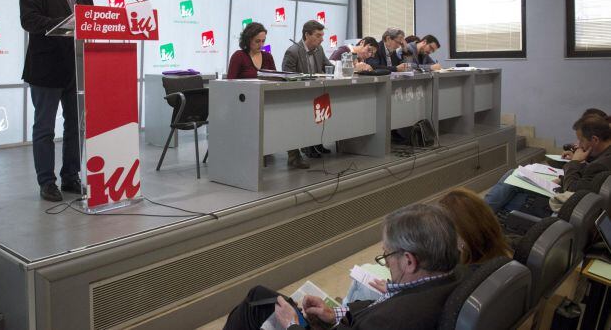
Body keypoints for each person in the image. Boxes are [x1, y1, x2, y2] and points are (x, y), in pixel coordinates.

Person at [223, 203, 461, 330]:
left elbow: (380, 318)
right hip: (346, 321)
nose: (386, 263)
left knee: (255, 305)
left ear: (409, 261)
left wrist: (293, 326)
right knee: (260, 297)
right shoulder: (455, 277)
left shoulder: (394, 319)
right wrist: (335, 314)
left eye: (387, 255)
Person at [20, 0, 94, 202]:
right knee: (45, 128)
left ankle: (71, 176)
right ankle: (46, 182)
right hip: (45, 69)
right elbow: (29, 20)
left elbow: (91, 19)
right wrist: (66, 23)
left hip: (76, 67)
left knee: (76, 126)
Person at [344, 187, 510, 304]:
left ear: (461, 240)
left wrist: (396, 293)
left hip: (396, 303)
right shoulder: (502, 257)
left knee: (361, 283)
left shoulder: (461, 279)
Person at [485, 114, 611, 216]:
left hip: (564, 205)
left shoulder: (601, 164)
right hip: (567, 193)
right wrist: (562, 178)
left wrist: (575, 162)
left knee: (508, 196)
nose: (579, 145)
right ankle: (480, 214)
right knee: (513, 174)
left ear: (595, 139)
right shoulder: (604, 155)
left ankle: (478, 216)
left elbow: (573, 189)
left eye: (582, 140)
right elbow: (586, 179)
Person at [283, 20, 334, 168]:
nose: (322, 39)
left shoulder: (320, 49)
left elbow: (328, 67)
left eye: (322, 35)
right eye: (318, 35)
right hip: (297, 98)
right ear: (307, 35)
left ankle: (314, 144)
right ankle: (295, 155)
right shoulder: (292, 52)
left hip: (316, 94)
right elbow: (287, 78)